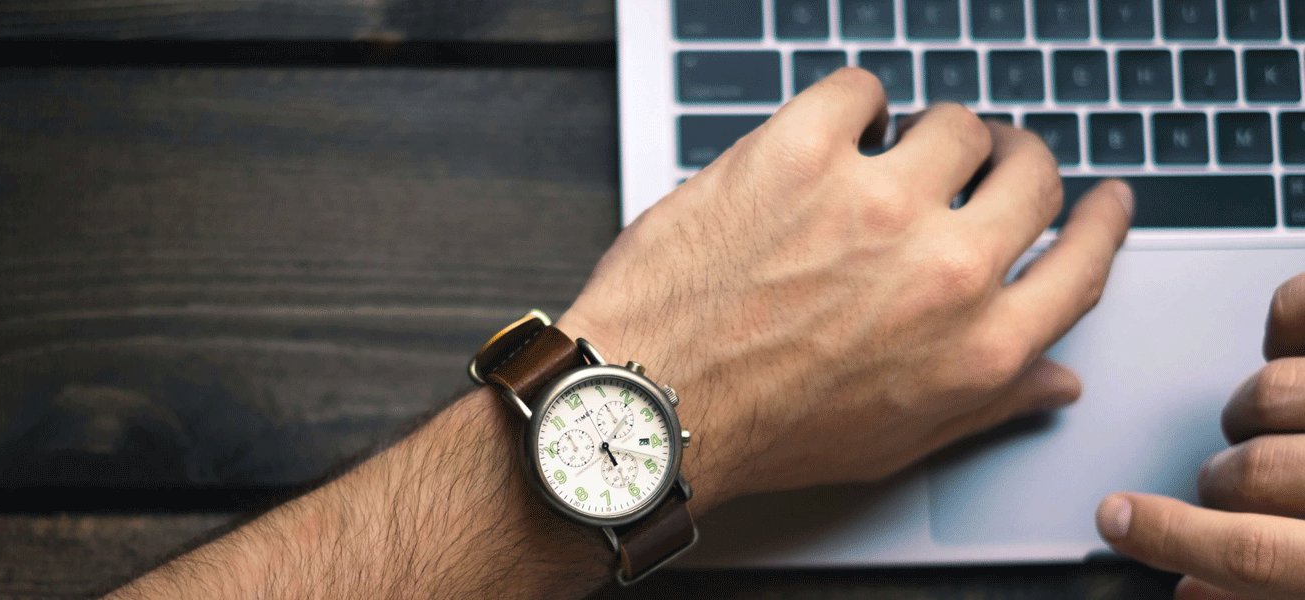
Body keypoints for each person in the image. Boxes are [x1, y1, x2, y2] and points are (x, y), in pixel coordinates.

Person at [103, 67, 1301, 600]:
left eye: (646, 432)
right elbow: (615, 434)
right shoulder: (622, 442)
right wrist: (676, 388)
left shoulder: (623, 436)